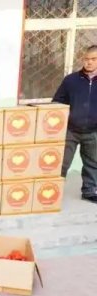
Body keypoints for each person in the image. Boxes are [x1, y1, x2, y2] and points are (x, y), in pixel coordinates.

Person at [53, 45, 97, 203]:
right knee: (61, 163)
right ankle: (53, 191)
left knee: (93, 163)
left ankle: (90, 191)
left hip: (93, 131)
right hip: (70, 130)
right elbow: (57, 102)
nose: (89, 62)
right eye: (86, 59)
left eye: (93, 59)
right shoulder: (71, 80)